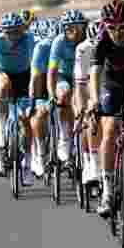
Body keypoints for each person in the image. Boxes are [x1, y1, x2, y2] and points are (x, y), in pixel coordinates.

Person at [89, 0, 124, 218]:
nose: (117, 33)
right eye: (111, 28)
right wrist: (93, 100)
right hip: (112, 84)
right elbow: (94, 73)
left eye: (122, 27)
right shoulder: (102, 40)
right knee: (110, 128)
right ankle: (108, 189)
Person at [0, 12, 36, 177]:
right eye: (7, 32)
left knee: (25, 117)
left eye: (15, 31)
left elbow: (37, 63)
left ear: (22, 29)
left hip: (24, 75)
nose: (12, 36)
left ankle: (29, 156)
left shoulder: (29, 39)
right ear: (2, 31)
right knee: (3, 85)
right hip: (4, 72)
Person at [47, 10, 86, 168]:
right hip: (64, 77)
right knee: (63, 95)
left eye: (77, 27)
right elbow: (52, 71)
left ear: (83, 27)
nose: (73, 31)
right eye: (69, 28)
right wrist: (51, 93)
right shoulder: (59, 42)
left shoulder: (88, 39)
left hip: (83, 76)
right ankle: (64, 136)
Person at [73, 19, 102, 189]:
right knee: (87, 117)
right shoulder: (83, 49)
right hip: (88, 82)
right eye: (94, 46)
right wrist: (81, 110)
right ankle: (90, 160)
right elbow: (81, 85)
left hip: (108, 82)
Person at [29, 18, 59, 177]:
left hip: (56, 80)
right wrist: (34, 101)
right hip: (37, 81)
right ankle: (40, 152)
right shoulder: (39, 49)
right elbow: (34, 79)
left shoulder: (55, 46)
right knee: (38, 114)